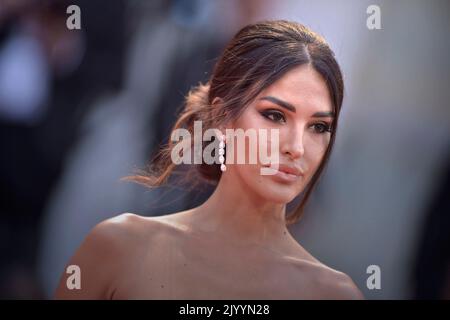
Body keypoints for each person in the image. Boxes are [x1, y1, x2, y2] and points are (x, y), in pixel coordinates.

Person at [54, 20, 364, 299]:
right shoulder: (118, 247)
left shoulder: (332, 294)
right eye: (275, 115)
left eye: (319, 127)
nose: (296, 147)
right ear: (221, 117)